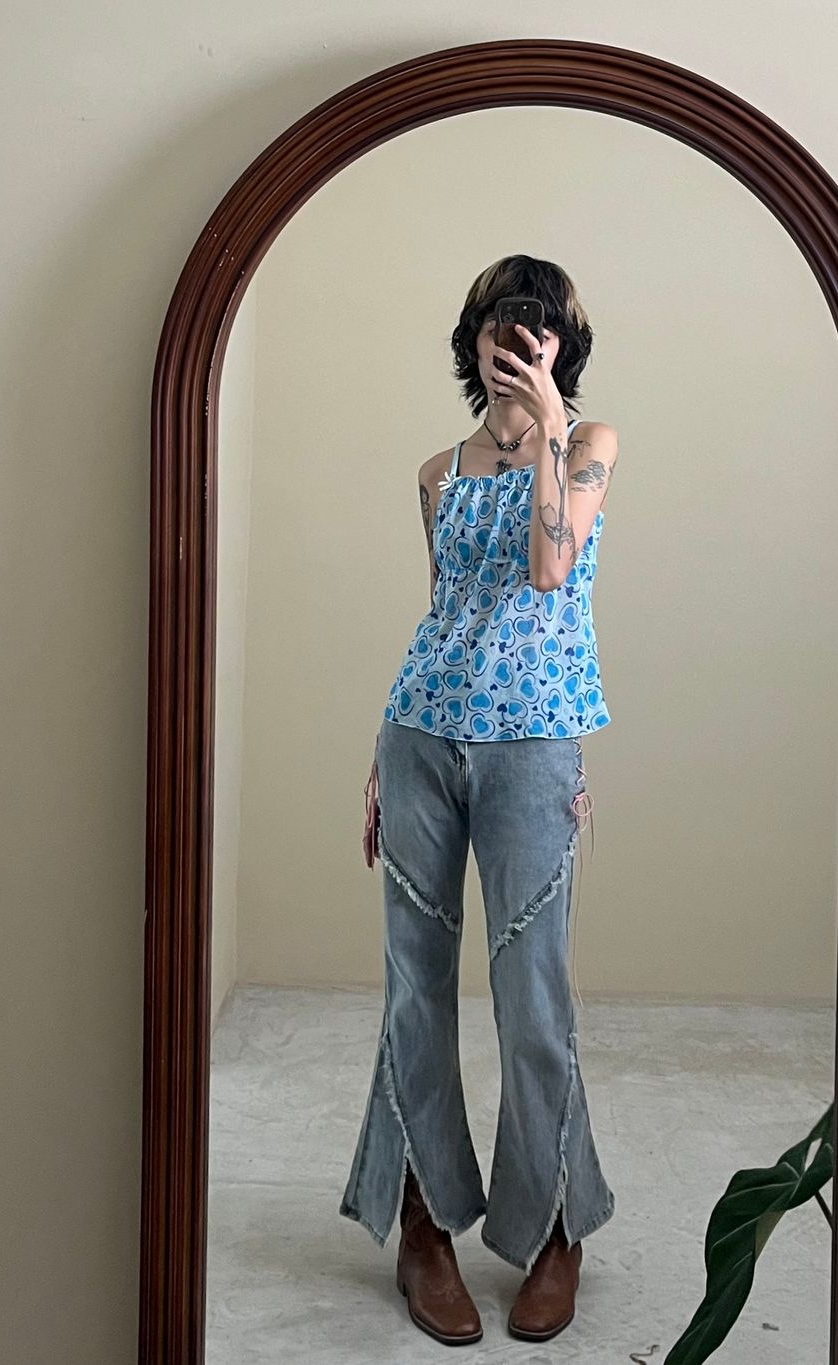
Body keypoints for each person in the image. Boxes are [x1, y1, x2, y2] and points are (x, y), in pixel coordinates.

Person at [339, 255, 619, 1345]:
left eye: (540, 323)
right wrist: (383, 748)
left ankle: (555, 1229)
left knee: (532, 991)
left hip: (534, 743)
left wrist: (546, 421)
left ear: (562, 343)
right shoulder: (436, 473)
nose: (519, 336)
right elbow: (443, 613)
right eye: (503, 320)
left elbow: (550, 572)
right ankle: (422, 1226)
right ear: (475, 336)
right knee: (414, 984)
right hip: (421, 734)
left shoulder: (588, 447)